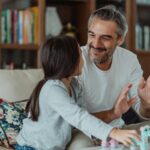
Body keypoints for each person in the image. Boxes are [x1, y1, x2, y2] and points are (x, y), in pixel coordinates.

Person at [14, 35, 140, 150]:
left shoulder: (75, 86)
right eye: (80, 54)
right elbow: (79, 117)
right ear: (69, 60)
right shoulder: (52, 89)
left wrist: (114, 113)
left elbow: (84, 118)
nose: (84, 59)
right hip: (31, 147)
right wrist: (113, 132)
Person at [67, 5, 150, 150]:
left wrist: (146, 104)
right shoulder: (75, 60)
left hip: (120, 130)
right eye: (92, 35)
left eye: (105, 38)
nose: (95, 44)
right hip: (83, 133)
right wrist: (112, 113)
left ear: (120, 39)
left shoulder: (129, 60)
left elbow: (141, 111)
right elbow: (72, 118)